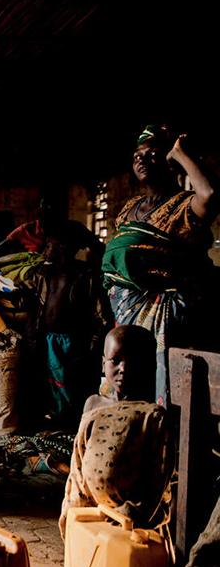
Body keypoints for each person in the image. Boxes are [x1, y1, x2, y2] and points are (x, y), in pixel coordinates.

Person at [102, 125, 220, 406]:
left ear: (170, 161)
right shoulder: (129, 208)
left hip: (169, 316)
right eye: (136, 156)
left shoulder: (183, 205)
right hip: (128, 312)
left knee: (164, 383)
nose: (141, 160)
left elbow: (210, 194)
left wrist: (181, 153)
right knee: (128, 377)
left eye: (152, 154)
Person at [59, 325, 174, 537]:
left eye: (136, 361)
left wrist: (133, 513)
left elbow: (159, 477)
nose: (124, 368)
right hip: (90, 513)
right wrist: (72, 508)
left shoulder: (153, 416)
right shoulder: (93, 405)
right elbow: (78, 462)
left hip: (130, 524)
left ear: (150, 366)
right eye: (116, 360)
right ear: (103, 363)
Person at [28, 236, 112, 430]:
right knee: (52, 388)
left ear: (64, 248)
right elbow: (35, 307)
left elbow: (100, 314)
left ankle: (73, 429)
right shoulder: (43, 273)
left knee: (73, 388)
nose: (46, 249)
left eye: (50, 245)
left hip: (74, 341)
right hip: (49, 339)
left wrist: (93, 344)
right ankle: (57, 426)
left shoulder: (85, 275)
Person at [0, 195, 102, 264]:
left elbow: (100, 249)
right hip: (34, 286)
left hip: (67, 282)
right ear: (39, 214)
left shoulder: (75, 229)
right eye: (46, 215)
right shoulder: (27, 230)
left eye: (55, 216)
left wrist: (94, 268)